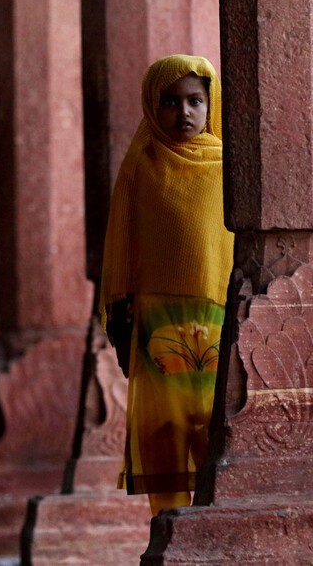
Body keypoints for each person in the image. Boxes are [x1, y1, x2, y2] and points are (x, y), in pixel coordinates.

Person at [99, 55, 234, 516]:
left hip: (218, 318)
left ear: (211, 103)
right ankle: (169, 531)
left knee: (217, 428)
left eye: (196, 100)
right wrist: (121, 324)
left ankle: (219, 525)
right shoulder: (141, 168)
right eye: (170, 101)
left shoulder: (228, 165)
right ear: (152, 106)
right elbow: (123, 248)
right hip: (158, 323)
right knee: (165, 431)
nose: (184, 113)